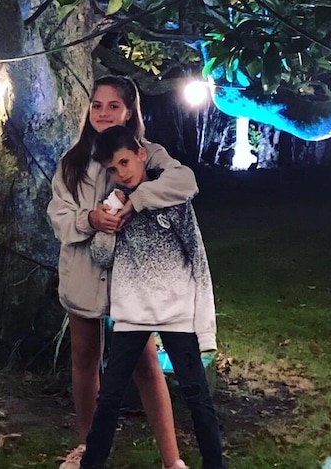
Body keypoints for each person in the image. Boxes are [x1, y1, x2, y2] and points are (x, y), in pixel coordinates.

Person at [47, 75, 199, 469]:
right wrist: (90, 219)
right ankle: (89, 449)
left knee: (145, 362)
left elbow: (185, 182)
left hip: (132, 279)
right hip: (82, 273)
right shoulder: (72, 162)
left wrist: (139, 199)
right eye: (97, 105)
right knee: (84, 358)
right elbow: (59, 217)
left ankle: (172, 459)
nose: (103, 113)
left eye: (114, 105)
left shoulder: (148, 152)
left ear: (130, 111)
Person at [80, 125, 226, 469]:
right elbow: (101, 257)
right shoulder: (114, 201)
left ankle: (215, 464)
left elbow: (196, 254)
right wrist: (108, 226)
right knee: (110, 396)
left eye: (124, 163)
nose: (121, 174)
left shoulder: (171, 196)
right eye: (112, 169)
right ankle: (92, 463)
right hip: (131, 315)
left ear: (141, 154)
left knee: (196, 396)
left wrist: (203, 321)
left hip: (177, 313)